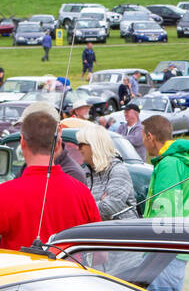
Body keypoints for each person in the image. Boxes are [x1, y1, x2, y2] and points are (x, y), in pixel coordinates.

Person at [0, 105, 100, 250]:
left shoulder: (5, 194)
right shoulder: (83, 193)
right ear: (58, 142)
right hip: (69, 272)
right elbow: (100, 256)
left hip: (19, 272)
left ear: (22, 142)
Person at [141, 113, 189, 218]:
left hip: (170, 232)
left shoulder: (169, 164)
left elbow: (166, 212)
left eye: (143, 137)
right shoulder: (177, 158)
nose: (142, 142)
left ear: (150, 137)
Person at [77, 123, 137, 221]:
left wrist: (85, 208)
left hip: (121, 233)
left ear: (93, 145)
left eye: (81, 145)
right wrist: (100, 202)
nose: (77, 148)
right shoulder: (85, 173)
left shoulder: (118, 170)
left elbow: (109, 208)